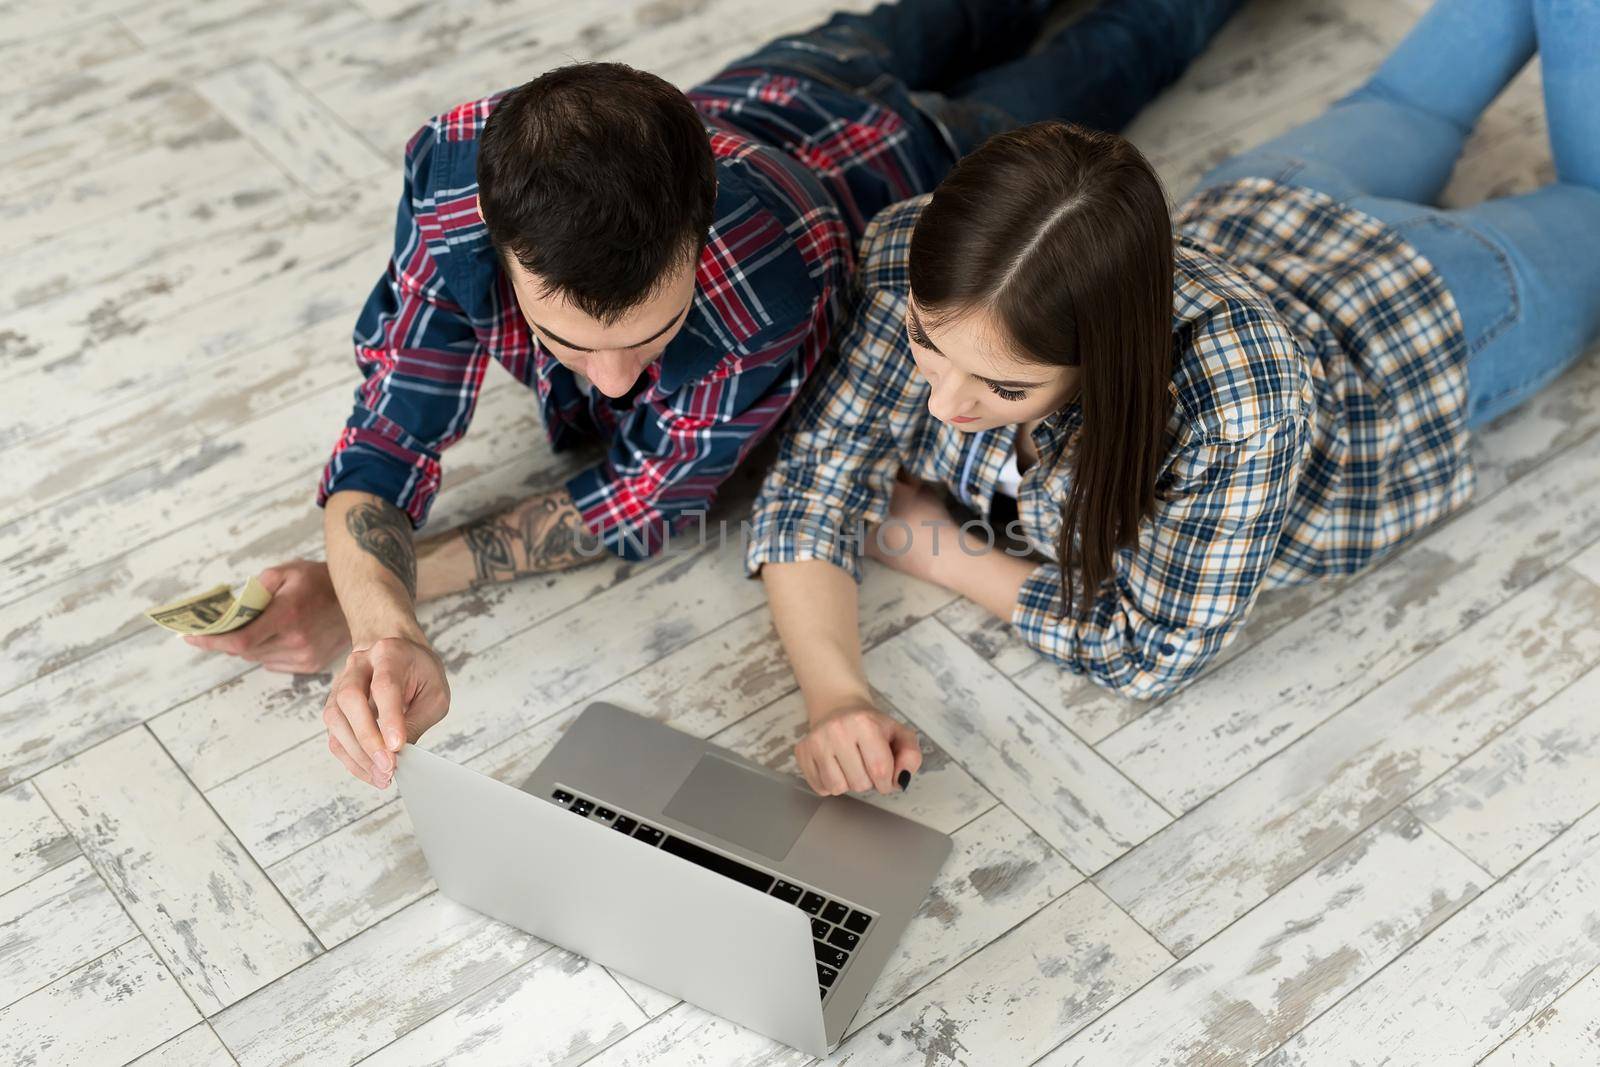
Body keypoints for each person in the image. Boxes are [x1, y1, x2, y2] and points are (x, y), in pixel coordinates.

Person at [186, 0, 1245, 789]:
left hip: (931, 159)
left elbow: (639, 498)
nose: (606, 383)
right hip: (797, 75)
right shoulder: (457, 174)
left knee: (1127, 44)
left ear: (700, 239)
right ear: (498, 239)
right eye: (565, 339)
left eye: (648, 338)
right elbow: (387, 432)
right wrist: (385, 622)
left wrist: (395, 582)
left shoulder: (767, 275)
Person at [748, 0, 1600, 797]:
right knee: (1410, 100)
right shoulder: (919, 251)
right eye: (925, 346)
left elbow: (1148, 649)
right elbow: (818, 476)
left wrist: (942, 550)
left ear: (1106, 357)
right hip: (1275, 206)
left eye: (1004, 385)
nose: (941, 408)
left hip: (1421, 310)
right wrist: (836, 698)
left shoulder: (1237, 405)